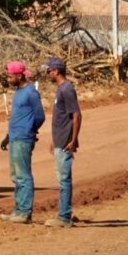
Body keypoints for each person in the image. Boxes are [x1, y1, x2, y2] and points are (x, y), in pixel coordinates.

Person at [0, 60, 45, 224]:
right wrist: (8, 136)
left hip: (23, 139)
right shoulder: (18, 92)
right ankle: (18, 210)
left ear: (19, 76)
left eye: (10, 76)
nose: (8, 79)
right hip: (14, 138)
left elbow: (40, 116)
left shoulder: (31, 92)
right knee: (16, 176)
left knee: (23, 176)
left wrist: (30, 131)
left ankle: (25, 212)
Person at [42, 56, 81, 227]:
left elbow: (76, 115)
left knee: (64, 179)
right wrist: (54, 139)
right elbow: (62, 118)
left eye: (48, 70)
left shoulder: (67, 89)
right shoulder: (61, 89)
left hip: (65, 142)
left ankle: (64, 216)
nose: (47, 73)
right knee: (61, 178)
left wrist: (73, 139)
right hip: (60, 139)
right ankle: (64, 213)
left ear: (56, 71)